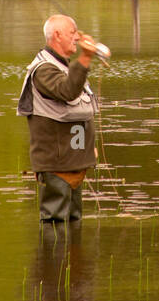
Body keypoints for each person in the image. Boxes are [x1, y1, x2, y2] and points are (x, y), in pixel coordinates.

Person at [17, 14, 99, 223]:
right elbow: (68, 91)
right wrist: (86, 58)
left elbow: (77, 115)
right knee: (55, 225)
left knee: (73, 223)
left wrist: (88, 148)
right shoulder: (44, 70)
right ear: (57, 35)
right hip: (56, 165)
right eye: (73, 33)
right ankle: (50, 257)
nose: (77, 37)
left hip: (73, 161)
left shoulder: (62, 65)